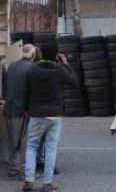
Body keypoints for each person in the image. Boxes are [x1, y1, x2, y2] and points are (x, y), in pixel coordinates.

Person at [22, 43, 79, 192]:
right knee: (51, 147)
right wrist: (66, 64)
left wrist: (26, 109)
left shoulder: (32, 69)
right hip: (55, 114)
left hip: (36, 113)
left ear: (41, 54)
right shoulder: (59, 70)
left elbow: (26, 91)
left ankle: (29, 181)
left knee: (32, 146)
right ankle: (47, 183)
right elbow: (74, 81)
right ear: (56, 55)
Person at [4, 44, 37, 179]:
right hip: (23, 110)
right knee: (25, 142)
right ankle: (24, 171)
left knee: (12, 140)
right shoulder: (33, 68)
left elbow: (5, 87)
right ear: (33, 55)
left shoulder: (11, 66)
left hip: (10, 108)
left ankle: (13, 168)